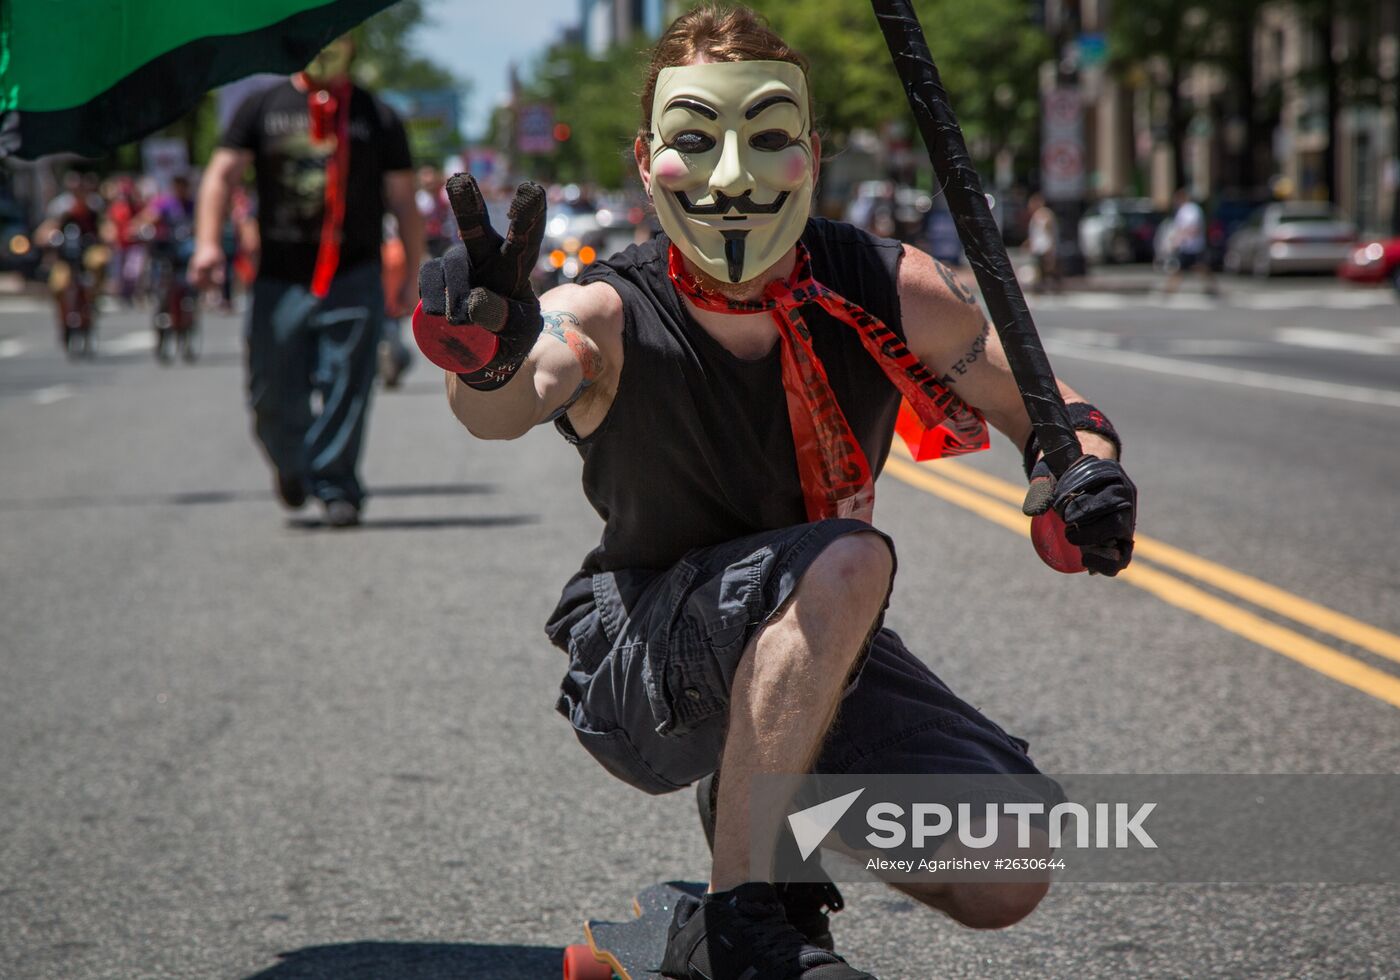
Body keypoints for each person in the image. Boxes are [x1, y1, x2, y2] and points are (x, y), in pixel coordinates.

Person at [413, 7, 1137, 979]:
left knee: (1007, 863)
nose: (730, 174)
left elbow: (1046, 410)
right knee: (849, 556)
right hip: (641, 667)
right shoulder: (607, 307)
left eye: (765, 138)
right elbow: (502, 404)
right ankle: (749, 918)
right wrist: (489, 355)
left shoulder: (884, 284)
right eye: (695, 141)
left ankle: (699, 911)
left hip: (811, 648)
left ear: (811, 150)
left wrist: (1082, 468)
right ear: (644, 158)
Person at [190, 34, 425, 527]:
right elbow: (221, 175)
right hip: (280, 277)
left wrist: (413, 275)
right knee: (270, 390)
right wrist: (209, 243)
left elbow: (404, 200)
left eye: (335, 35)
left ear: (354, 44)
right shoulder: (262, 105)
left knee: (347, 383)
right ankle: (293, 464)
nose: (324, 46)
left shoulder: (376, 115)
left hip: (354, 273)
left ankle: (336, 483)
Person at [1163, 187, 1217, 295]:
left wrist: (1179, 238)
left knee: (1198, 267)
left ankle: (1170, 289)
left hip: (1193, 246)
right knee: (1185, 268)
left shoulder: (1191, 209)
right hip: (1187, 246)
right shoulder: (1184, 210)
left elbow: (1193, 227)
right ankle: (1170, 289)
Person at [1025, 192, 1061, 293]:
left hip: (1044, 247)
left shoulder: (1045, 214)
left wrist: (1051, 247)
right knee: (1041, 269)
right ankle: (1043, 287)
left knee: (1047, 268)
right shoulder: (1036, 216)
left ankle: (1052, 287)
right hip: (1038, 247)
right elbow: (1036, 233)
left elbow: (1049, 233)